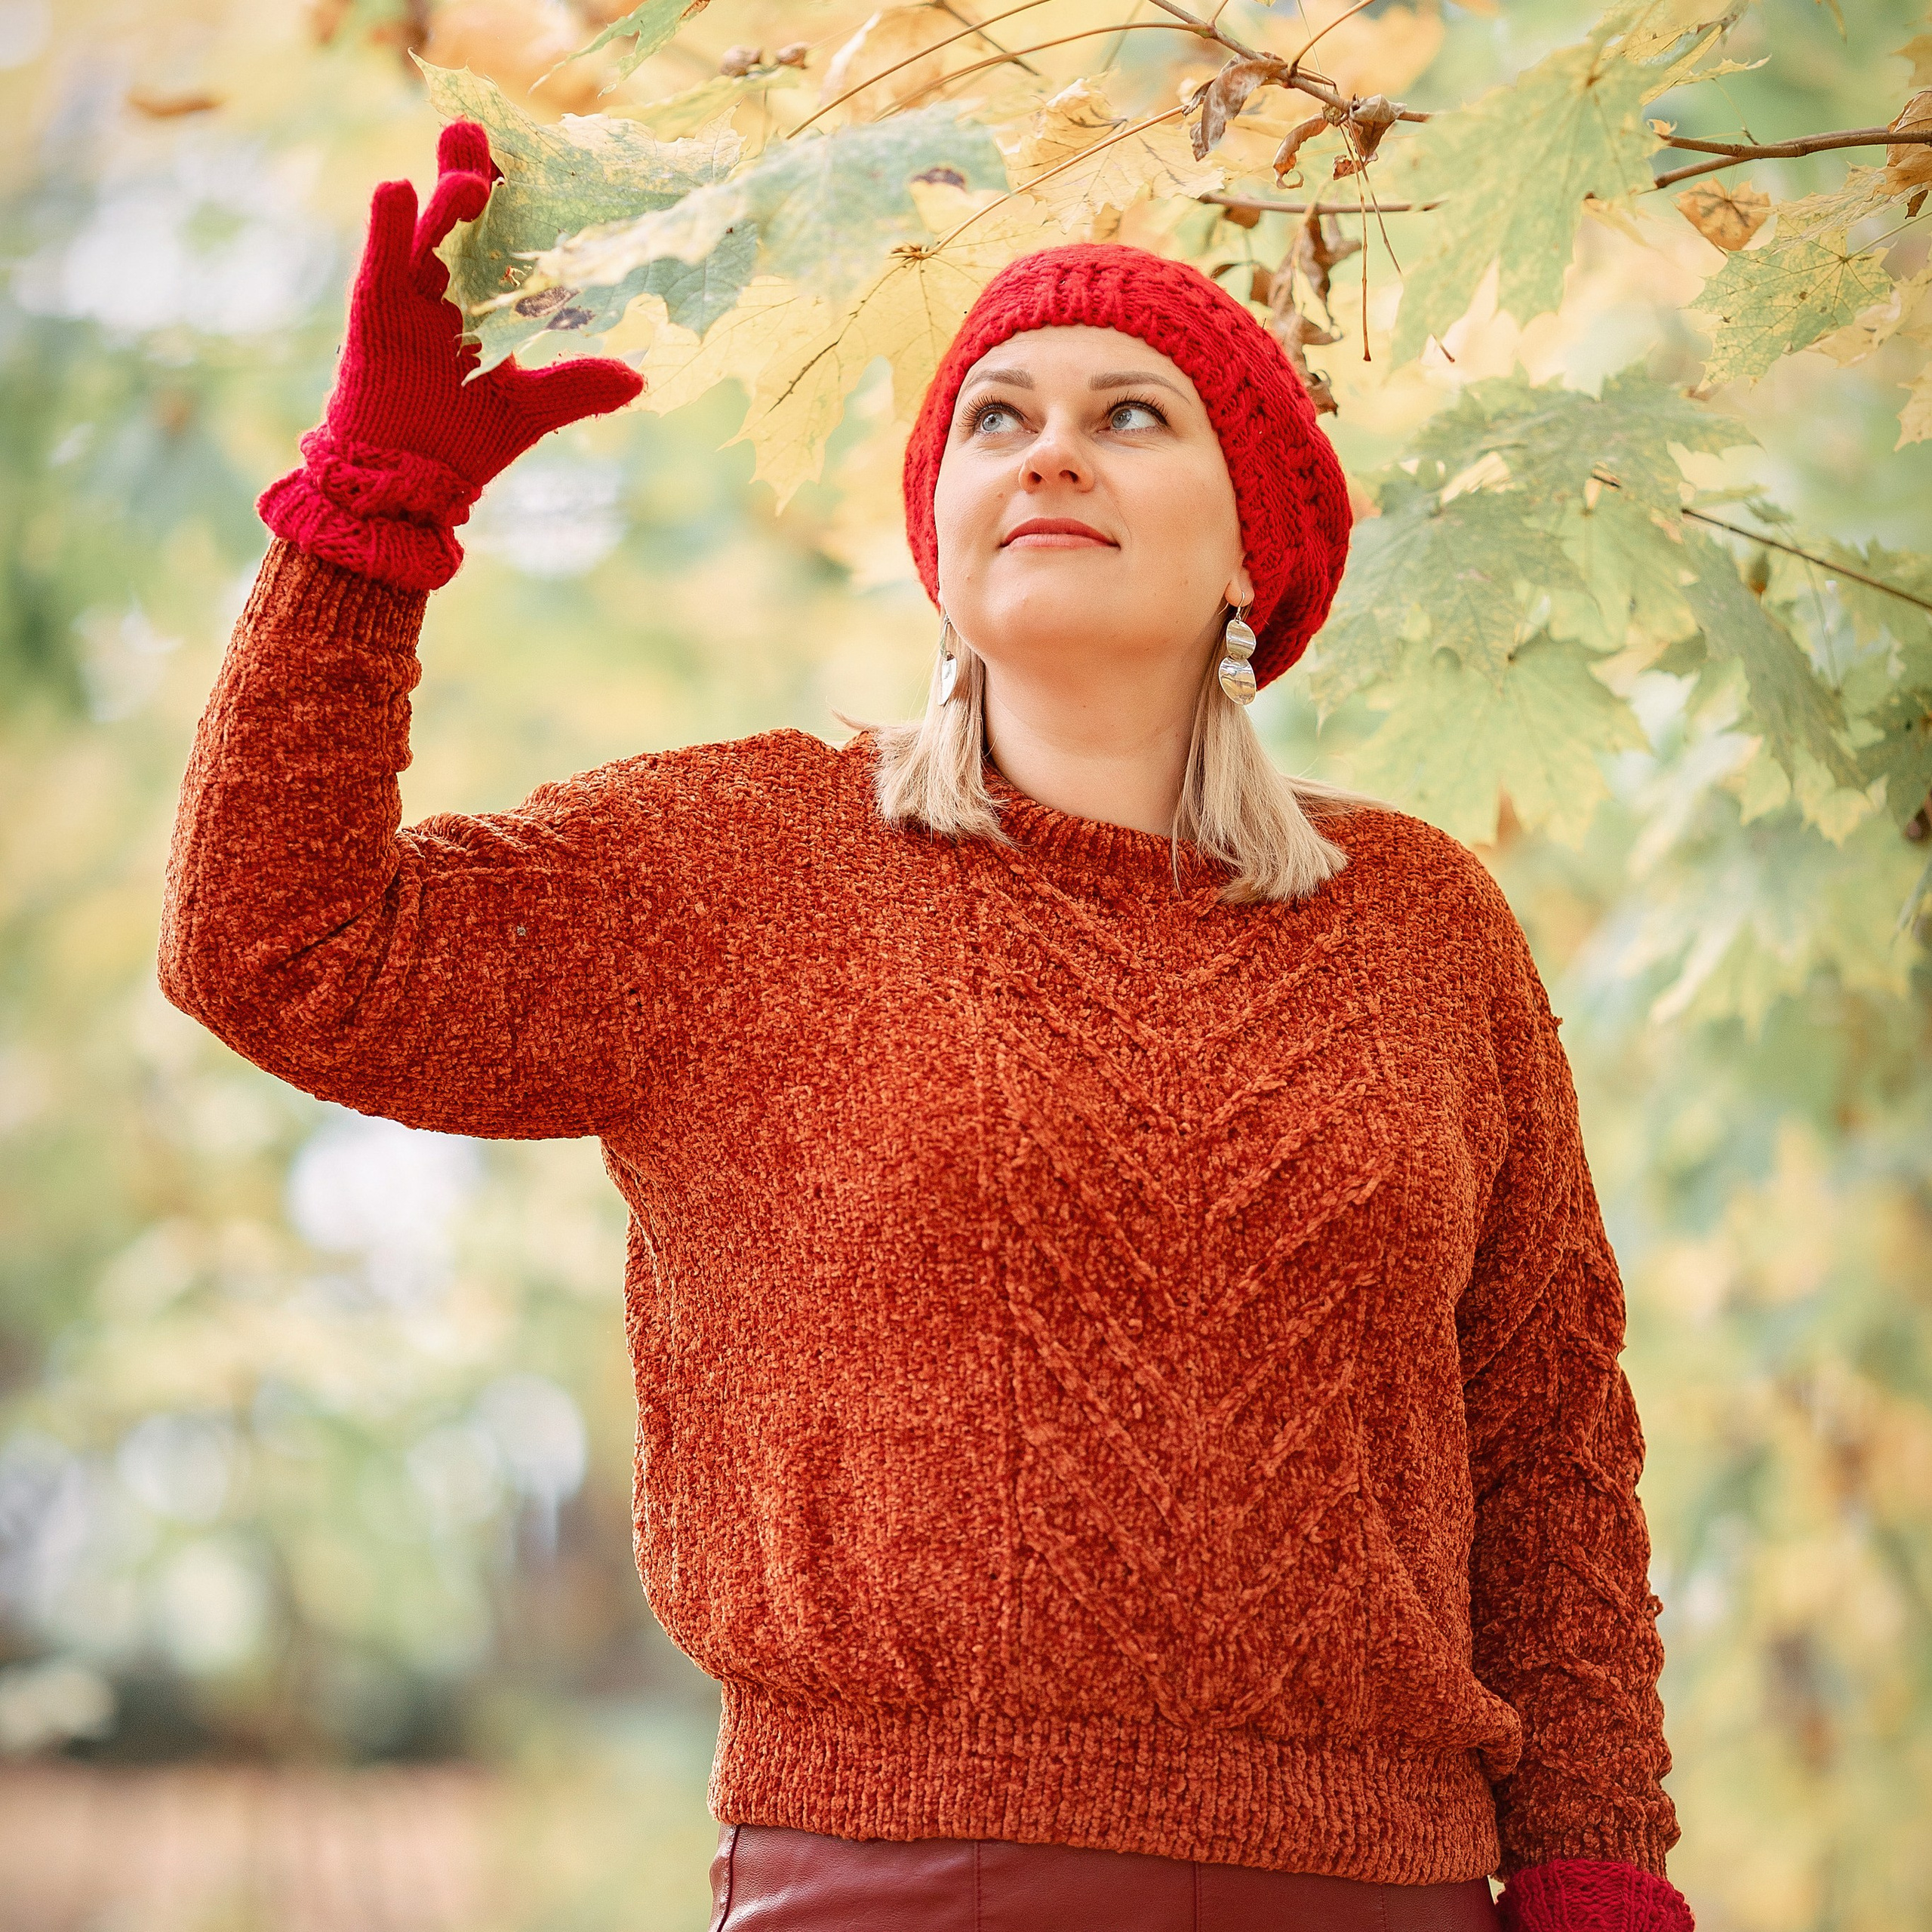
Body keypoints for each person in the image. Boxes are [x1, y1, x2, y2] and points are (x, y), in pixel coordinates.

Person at [159, 123, 1694, 1932]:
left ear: (1249, 550)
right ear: (942, 541)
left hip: (1387, 1886)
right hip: (901, 1881)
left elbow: (1547, 1442)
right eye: (996, 415)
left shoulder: (1421, 922)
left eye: (1131, 414)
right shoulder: (746, 864)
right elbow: (277, 940)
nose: (1051, 444)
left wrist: (1598, 1870)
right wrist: (375, 508)